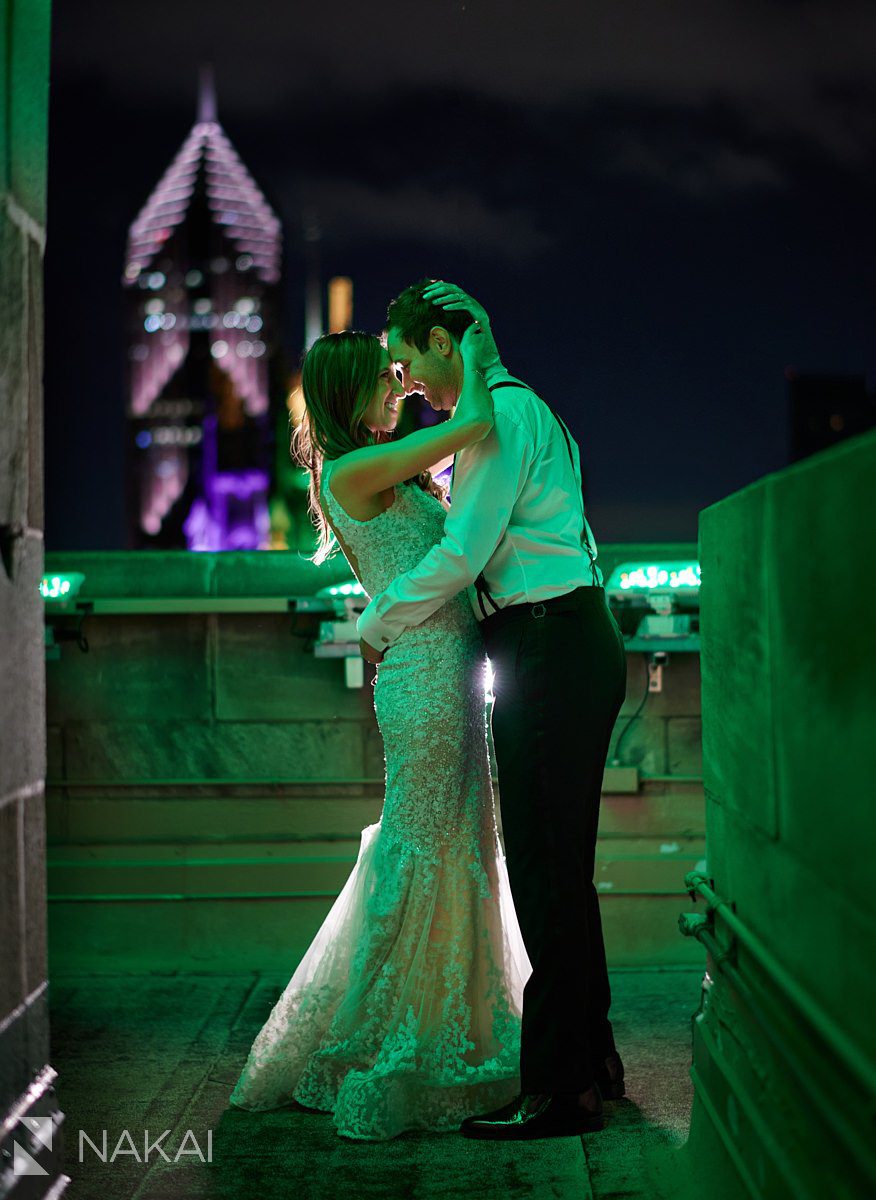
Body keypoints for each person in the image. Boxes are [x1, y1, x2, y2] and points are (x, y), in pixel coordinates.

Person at [228, 325, 531, 1141]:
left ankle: (443, 1022)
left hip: (452, 677)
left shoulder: (375, 467)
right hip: (426, 678)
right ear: (348, 392)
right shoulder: (356, 469)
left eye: (400, 378)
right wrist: (473, 351)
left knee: (454, 841)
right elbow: (471, 427)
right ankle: (399, 1037)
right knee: (427, 844)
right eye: (387, 379)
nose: (399, 389)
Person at [357, 280, 629, 1140]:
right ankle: (593, 1064)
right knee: (563, 872)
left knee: (546, 874)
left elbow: (464, 551)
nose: (408, 385)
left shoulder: (500, 420)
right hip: (568, 637)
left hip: (546, 642)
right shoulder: (527, 408)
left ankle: (559, 1091)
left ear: (447, 342)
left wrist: (376, 622)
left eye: (409, 362)